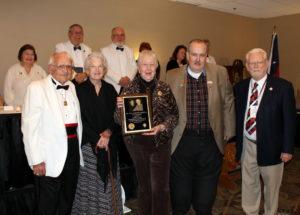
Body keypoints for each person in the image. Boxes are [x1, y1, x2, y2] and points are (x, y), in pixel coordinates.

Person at [166, 39, 235, 215]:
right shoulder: (172, 75)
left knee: (204, 201)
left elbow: (228, 101)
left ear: (207, 56)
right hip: (182, 142)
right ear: (187, 55)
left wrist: (228, 132)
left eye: (201, 55)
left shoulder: (220, 72)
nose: (197, 59)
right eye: (194, 54)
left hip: (210, 142)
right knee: (180, 198)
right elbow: (163, 105)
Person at [234, 48, 296, 215]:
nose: (255, 66)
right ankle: (251, 212)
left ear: (267, 63)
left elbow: (290, 121)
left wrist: (288, 148)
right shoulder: (240, 87)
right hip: (248, 144)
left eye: (259, 62)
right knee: (248, 184)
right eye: (251, 63)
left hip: (273, 147)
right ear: (247, 66)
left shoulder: (283, 87)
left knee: (271, 188)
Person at [117, 50, 179, 215]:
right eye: (145, 64)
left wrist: (163, 126)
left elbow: (175, 115)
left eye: (152, 64)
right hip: (137, 145)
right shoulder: (128, 89)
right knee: (145, 187)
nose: (149, 68)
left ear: (157, 67)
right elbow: (117, 120)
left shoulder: (164, 88)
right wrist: (119, 108)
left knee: (161, 187)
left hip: (161, 142)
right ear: (138, 67)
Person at [21, 52, 83, 215]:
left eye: (69, 67)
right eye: (62, 66)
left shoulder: (73, 87)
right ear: (51, 68)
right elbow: (29, 128)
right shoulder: (36, 87)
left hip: (72, 150)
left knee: (67, 199)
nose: (66, 70)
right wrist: (36, 160)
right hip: (48, 156)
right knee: (48, 204)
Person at [72, 52, 122, 215]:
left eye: (100, 66)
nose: (97, 69)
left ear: (105, 69)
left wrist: (107, 134)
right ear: (86, 69)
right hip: (89, 145)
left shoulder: (110, 89)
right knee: (92, 185)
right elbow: (78, 119)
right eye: (93, 66)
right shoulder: (78, 90)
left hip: (109, 143)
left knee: (110, 180)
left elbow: (117, 117)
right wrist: (97, 138)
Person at [101, 26, 137, 94]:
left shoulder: (130, 50)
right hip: (112, 86)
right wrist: (119, 79)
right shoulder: (104, 51)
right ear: (112, 37)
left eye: (122, 35)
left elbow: (134, 67)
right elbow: (105, 68)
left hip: (128, 86)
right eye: (117, 35)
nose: (120, 38)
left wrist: (129, 78)